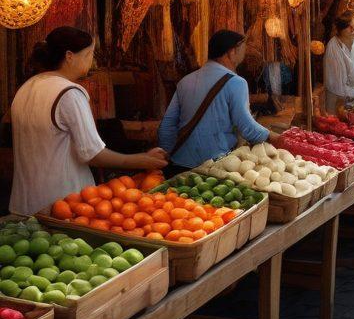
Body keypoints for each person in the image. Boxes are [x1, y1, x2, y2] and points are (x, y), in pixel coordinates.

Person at [10, 27, 167, 214]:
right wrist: (142, 160)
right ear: (69, 56)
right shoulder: (69, 93)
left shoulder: (26, 88)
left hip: (23, 203)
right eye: (89, 54)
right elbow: (93, 154)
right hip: (63, 206)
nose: (92, 61)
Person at [160, 30, 283, 171]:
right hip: (213, 167)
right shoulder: (237, 82)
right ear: (231, 52)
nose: (245, 53)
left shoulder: (185, 81)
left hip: (179, 164)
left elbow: (167, 126)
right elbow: (246, 127)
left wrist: (167, 157)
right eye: (242, 48)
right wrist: (275, 137)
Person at [323, 12, 354, 113]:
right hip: (338, 102)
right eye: (350, 27)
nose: (353, 29)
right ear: (341, 28)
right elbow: (336, 85)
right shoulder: (333, 46)